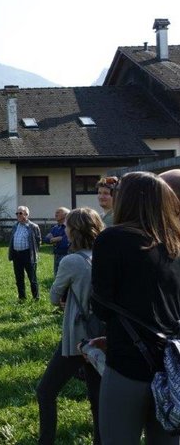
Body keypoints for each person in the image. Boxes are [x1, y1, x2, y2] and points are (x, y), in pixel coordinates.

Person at [91, 171, 180, 444]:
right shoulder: (175, 241)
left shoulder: (112, 238)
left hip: (128, 360)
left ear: (126, 199)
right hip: (171, 364)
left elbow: (102, 307)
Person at [37, 207, 104, 445]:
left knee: (46, 391)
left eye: (67, 226)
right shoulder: (105, 257)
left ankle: (46, 441)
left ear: (74, 231)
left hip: (77, 337)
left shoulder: (72, 261)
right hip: (101, 336)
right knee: (97, 398)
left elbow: (54, 297)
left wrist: (65, 299)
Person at [8, 206, 42, 301]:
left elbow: (38, 241)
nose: (18, 215)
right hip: (16, 255)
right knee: (19, 277)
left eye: (20, 213)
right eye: (17, 213)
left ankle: (36, 297)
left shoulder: (33, 227)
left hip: (28, 255)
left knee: (32, 278)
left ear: (26, 214)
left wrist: (33, 252)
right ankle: (22, 297)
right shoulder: (15, 226)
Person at [43, 207, 70, 276]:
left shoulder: (69, 227)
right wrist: (58, 238)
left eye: (58, 212)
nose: (55, 214)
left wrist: (58, 239)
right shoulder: (55, 228)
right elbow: (45, 239)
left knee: (65, 276)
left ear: (65, 215)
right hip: (56, 255)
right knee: (57, 276)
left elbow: (66, 242)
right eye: (55, 212)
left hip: (66, 255)